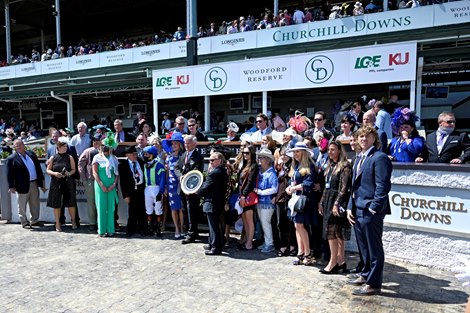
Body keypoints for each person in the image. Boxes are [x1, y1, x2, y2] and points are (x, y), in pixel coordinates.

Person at [346, 125, 392, 296]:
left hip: (371, 211)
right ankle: (365, 275)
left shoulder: (379, 157)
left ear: (374, 139)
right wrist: (350, 207)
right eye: (361, 136)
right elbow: (354, 186)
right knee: (363, 246)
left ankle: (374, 283)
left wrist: (373, 208)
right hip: (358, 209)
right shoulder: (358, 158)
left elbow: (383, 186)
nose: (363, 139)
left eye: (367, 136)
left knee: (374, 248)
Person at [318, 141, 352, 274]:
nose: (330, 152)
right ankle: (341, 261)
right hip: (328, 199)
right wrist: (321, 202)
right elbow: (326, 186)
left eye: (333, 149)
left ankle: (332, 262)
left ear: (339, 150)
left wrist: (336, 204)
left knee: (333, 232)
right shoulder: (331, 165)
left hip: (337, 202)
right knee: (336, 233)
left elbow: (344, 188)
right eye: (329, 149)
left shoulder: (345, 165)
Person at [286, 142, 317, 266]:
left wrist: (294, 188)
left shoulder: (309, 165)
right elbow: (292, 181)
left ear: (303, 153)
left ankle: (307, 253)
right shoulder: (296, 166)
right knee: (297, 226)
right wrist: (289, 188)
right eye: (294, 152)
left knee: (300, 226)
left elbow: (308, 183)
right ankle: (301, 251)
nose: (295, 154)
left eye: (297, 151)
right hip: (295, 199)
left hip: (304, 200)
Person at [7, 139, 46, 228]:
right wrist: (11, 186)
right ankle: (24, 222)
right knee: (22, 205)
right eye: (16, 145)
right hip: (21, 185)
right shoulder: (11, 158)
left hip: (34, 183)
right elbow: (9, 174)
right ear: (14, 147)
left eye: (20, 145)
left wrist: (41, 182)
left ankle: (34, 221)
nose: (18, 147)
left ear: (24, 145)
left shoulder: (31, 154)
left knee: (35, 203)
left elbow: (38, 169)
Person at [197, 152, 228, 255]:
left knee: (213, 226)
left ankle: (215, 247)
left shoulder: (214, 173)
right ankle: (212, 244)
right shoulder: (221, 171)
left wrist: (197, 192)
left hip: (212, 202)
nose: (210, 162)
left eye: (212, 160)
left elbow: (206, 187)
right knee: (213, 225)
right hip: (217, 202)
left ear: (219, 161)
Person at [46, 138, 78, 232]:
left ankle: (73, 221)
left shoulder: (70, 157)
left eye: (66, 146)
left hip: (68, 182)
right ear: (58, 147)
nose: (65, 148)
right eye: (63, 146)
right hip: (56, 182)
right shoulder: (53, 157)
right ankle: (57, 223)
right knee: (57, 203)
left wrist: (68, 173)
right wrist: (55, 174)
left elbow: (73, 169)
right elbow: (48, 170)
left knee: (71, 202)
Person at [92, 133, 120, 237]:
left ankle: (111, 229)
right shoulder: (96, 158)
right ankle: (102, 230)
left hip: (111, 185)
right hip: (100, 186)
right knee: (101, 207)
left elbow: (117, 174)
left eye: (107, 148)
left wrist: (114, 184)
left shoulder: (114, 159)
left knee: (111, 207)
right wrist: (101, 185)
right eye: (103, 147)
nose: (105, 150)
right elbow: (94, 173)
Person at [179, 135, 204, 244]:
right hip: (182, 187)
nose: (186, 145)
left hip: (192, 188)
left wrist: (186, 176)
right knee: (184, 209)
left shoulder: (198, 157)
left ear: (194, 144)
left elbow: (197, 171)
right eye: (185, 143)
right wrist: (180, 175)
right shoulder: (183, 155)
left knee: (191, 211)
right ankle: (187, 230)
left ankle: (192, 233)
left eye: (188, 143)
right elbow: (177, 167)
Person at [274, 140, 297, 257]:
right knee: (280, 223)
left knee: (291, 224)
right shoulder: (279, 167)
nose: (283, 156)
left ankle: (293, 246)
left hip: (290, 197)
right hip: (279, 197)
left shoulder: (293, 166)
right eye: (282, 153)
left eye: (286, 153)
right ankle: (283, 245)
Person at [119, 145, 146, 237]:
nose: (135, 155)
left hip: (141, 188)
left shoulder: (140, 161)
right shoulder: (123, 165)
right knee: (132, 211)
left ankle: (142, 229)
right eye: (132, 154)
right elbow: (122, 182)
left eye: (135, 153)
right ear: (127, 155)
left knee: (142, 210)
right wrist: (125, 195)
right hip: (131, 191)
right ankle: (131, 230)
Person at [255, 148, 278, 253]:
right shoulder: (260, 172)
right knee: (263, 222)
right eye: (259, 157)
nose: (260, 160)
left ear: (268, 160)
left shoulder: (272, 173)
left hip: (267, 202)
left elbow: (274, 188)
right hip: (260, 201)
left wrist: (260, 192)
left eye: (262, 158)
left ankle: (270, 243)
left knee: (265, 222)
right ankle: (267, 241)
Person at [162, 132, 185, 238]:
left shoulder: (184, 157)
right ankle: (176, 228)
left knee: (181, 208)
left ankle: (182, 227)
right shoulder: (168, 158)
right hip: (171, 185)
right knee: (173, 208)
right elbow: (167, 173)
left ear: (180, 145)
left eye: (176, 143)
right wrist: (166, 186)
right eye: (172, 144)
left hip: (181, 185)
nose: (174, 145)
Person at [78, 133, 102, 232]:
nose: (96, 142)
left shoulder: (104, 151)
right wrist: (84, 179)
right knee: (91, 202)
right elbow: (80, 164)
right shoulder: (87, 151)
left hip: (103, 180)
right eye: (94, 141)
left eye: (97, 141)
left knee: (101, 202)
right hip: (90, 180)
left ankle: (101, 221)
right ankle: (92, 222)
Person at [237, 144, 259, 250]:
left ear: (252, 154)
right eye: (243, 153)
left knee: (249, 220)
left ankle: (249, 242)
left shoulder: (253, 166)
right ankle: (246, 240)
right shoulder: (245, 165)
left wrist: (243, 195)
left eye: (247, 153)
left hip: (248, 195)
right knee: (244, 219)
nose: (245, 155)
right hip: (242, 194)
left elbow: (250, 182)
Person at [142, 145, 166, 237]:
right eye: (145, 154)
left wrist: (161, 191)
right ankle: (150, 228)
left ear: (152, 155)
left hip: (156, 188)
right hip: (147, 188)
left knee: (158, 209)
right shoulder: (144, 165)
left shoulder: (159, 165)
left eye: (147, 154)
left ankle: (158, 229)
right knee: (148, 209)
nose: (145, 155)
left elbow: (163, 179)